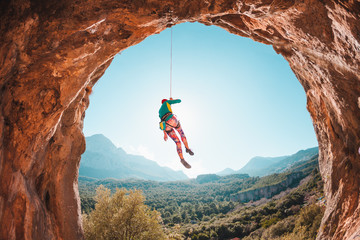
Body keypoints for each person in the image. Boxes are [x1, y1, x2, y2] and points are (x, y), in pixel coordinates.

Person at [159, 98, 194, 168]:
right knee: (182, 134)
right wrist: (171, 100)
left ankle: (182, 159)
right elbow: (179, 100)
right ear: (165, 101)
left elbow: (161, 123)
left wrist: (165, 134)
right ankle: (187, 148)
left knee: (178, 142)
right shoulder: (166, 103)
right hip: (173, 121)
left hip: (166, 126)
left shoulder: (159, 111)